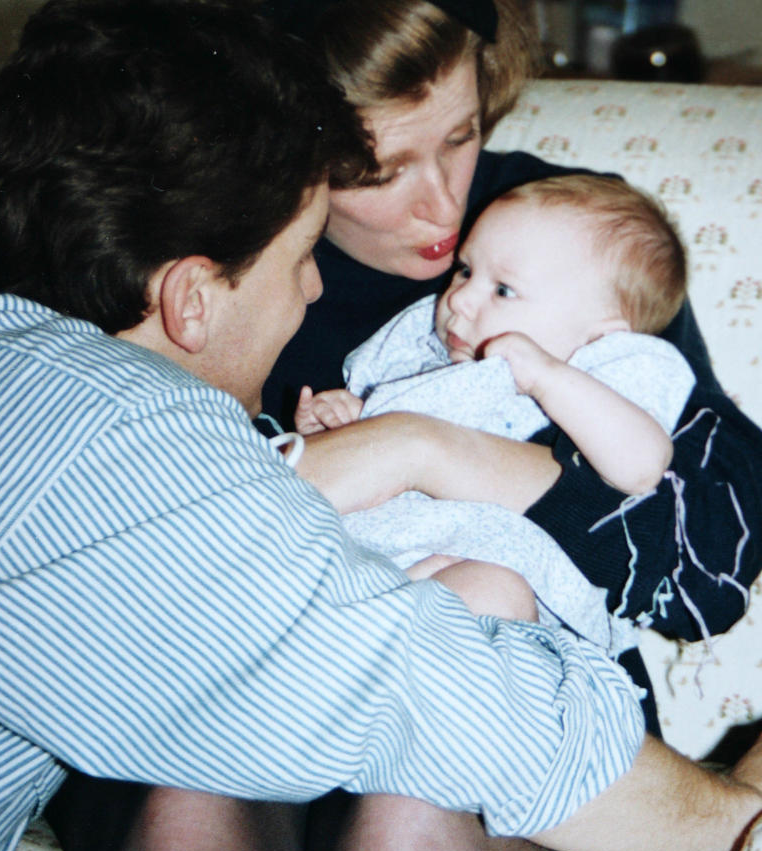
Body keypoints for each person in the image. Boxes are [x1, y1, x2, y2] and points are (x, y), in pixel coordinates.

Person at [0, 0, 762, 851]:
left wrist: (433, 451)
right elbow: (350, 656)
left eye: (461, 137)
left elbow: (696, 562)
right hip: (320, 681)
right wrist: (734, 800)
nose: (446, 208)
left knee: (410, 815)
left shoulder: (553, 235)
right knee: (190, 810)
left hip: (471, 652)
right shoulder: (152, 360)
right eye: (374, 166)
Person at [295, 173, 695, 655]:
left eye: (503, 290)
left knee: (492, 591)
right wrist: (350, 417)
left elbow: (642, 464)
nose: (459, 298)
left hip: (494, 573)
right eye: (465, 271)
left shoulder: (594, 378)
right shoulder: (430, 354)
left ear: (600, 338)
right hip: (367, 556)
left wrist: (547, 376)